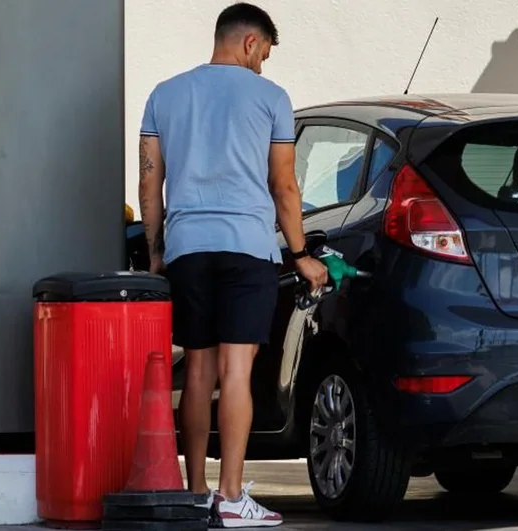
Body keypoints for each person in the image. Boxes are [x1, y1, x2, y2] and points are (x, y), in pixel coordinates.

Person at [137, 2, 328, 528]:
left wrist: (157, 253)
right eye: (263, 53)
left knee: (197, 371)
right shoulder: (271, 98)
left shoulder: (165, 94)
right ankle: (231, 496)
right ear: (249, 42)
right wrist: (301, 255)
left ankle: (195, 493)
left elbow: (149, 183)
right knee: (236, 371)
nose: (263, 65)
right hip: (247, 249)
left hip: (187, 250)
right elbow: (284, 186)